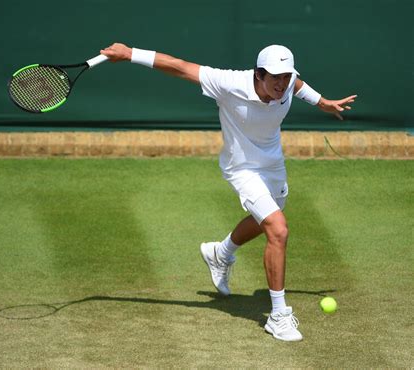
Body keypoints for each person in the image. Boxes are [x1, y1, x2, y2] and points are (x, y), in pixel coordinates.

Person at [100, 43, 356, 342]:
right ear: (258, 74)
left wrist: (321, 102)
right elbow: (180, 66)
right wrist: (131, 53)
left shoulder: (287, 83)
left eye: (285, 76)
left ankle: (220, 253)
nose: (281, 83)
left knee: (269, 218)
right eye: (275, 77)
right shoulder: (229, 83)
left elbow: (298, 86)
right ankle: (277, 316)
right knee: (278, 229)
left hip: (272, 164)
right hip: (243, 169)